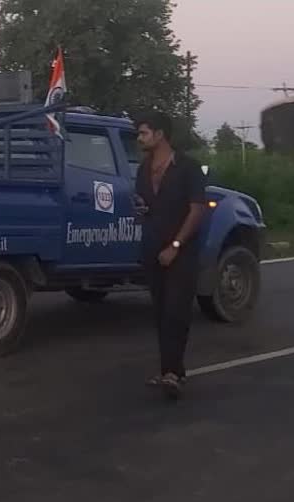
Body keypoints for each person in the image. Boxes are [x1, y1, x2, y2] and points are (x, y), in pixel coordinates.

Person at [132, 111, 207, 399]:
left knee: (177, 310)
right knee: (161, 312)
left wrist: (175, 246)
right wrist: (140, 209)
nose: (140, 138)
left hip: (181, 252)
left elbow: (197, 209)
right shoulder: (143, 169)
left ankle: (173, 373)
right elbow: (145, 205)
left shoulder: (188, 167)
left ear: (160, 134)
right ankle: (170, 371)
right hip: (153, 250)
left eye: (144, 133)